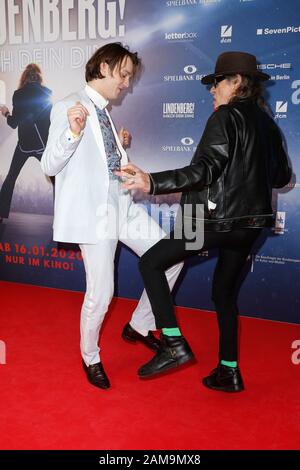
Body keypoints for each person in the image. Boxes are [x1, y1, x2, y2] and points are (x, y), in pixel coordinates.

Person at [116, 51, 292, 393]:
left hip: (207, 219)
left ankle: (172, 343)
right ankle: (229, 371)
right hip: (251, 225)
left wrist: (151, 181)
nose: (212, 90)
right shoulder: (269, 125)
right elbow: (282, 176)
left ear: (237, 82)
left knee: (152, 262)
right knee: (224, 296)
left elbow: (203, 172)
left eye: (217, 82)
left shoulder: (225, 117)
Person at [41, 43, 182, 390]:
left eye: (130, 77)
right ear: (104, 67)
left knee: (173, 256)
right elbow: (49, 164)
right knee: (101, 294)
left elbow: (100, 163)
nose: (127, 84)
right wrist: (72, 132)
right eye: (123, 74)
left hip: (122, 205)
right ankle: (90, 356)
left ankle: (138, 324)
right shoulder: (68, 106)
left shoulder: (103, 112)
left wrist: (121, 149)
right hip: (95, 215)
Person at [0, 64, 52, 222]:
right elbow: (50, 122)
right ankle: (65, 214)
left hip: (24, 145)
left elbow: (13, 123)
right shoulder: (47, 93)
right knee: (57, 179)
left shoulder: (19, 94)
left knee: (11, 177)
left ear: (24, 77)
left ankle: (1, 214)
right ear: (39, 76)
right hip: (42, 145)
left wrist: (6, 113)